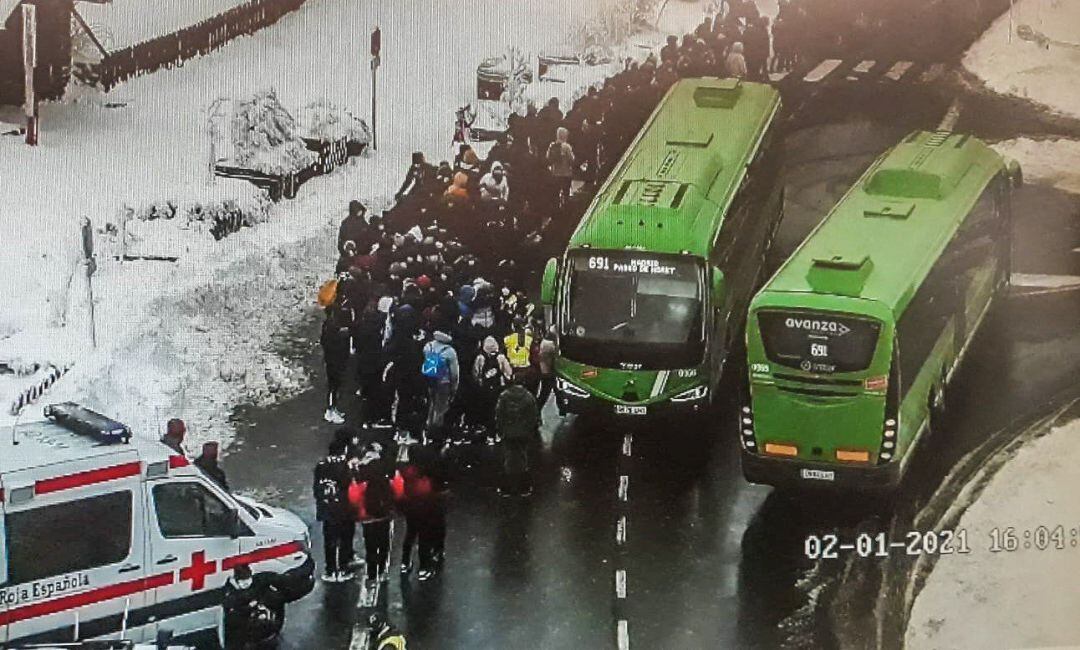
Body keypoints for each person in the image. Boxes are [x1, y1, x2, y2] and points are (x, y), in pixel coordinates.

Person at [350, 445, 394, 585]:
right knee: (384, 544)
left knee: (370, 547)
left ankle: (371, 575)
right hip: (384, 515)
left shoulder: (362, 478)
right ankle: (382, 571)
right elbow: (397, 490)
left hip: (368, 517)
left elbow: (354, 497)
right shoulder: (386, 476)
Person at [313, 439, 355, 582]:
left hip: (326, 508)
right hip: (343, 508)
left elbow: (316, 489)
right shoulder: (345, 466)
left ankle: (330, 570)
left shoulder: (321, 465)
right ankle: (343, 569)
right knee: (345, 539)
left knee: (329, 540)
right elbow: (348, 485)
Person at [495, 378, 541, 497]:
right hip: (523, 433)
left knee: (509, 457)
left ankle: (506, 487)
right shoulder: (528, 397)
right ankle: (524, 487)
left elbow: (499, 415)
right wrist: (531, 431)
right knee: (522, 457)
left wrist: (500, 430)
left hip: (508, 432)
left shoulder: (504, 396)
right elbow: (534, 416)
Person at [223, 564, 284, 649]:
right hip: (245, 634)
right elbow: (233, 616)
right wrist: (249, 607)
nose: (246, 583)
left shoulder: (257, 584)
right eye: (243, 581)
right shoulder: (231, 595)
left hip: (263, 632)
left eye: (248, 580)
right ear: (237, 581)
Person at [421, 327, 460, 444]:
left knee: (431, 403)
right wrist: (454, 387)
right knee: (441, 407)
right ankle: (437, 432)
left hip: (430, 380)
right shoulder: (450, 351)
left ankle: (428, 427)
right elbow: (454, 373)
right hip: (444, 382)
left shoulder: (428, 346)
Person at [321, 301, 352, 425]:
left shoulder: (331, 325)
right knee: (333, 386)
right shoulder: (330, 327)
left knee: (336, 385)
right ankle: (330, 410)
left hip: (335, 359)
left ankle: (334, 408)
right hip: (333, 360)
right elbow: (328, 343)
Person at [503, 316, 537, 393]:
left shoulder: (507, 339)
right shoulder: (529, 340)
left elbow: (504, 354)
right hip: (526, 370)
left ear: (513, 326)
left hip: (512, 370)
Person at [546, 127, 576, 209]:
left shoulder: (552, 145)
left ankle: (556, 209)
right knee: (566, 192)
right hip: (566, 174)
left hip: (555, 173)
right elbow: (572, 159)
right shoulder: (567, 146)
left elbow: (548, 158)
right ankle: (565, 208)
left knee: (555, 193)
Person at [534, 326, 558, 416]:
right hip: (547, 372)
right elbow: (555, 355)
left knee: (545, 392)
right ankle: (536, 411)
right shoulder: (550, 345)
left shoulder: (544, 342)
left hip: (544, 370)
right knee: (545, 393)